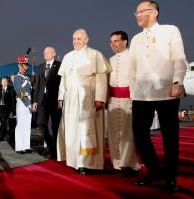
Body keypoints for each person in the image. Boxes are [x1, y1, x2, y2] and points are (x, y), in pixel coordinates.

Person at [128, 0, 188, 193]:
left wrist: (178, 81)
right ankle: (154, 170)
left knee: (170, 136)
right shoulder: (136, 39)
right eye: (135, 12)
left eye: (140, 11)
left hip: (167, 90)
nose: (137, 15)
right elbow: (133, 67)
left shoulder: (170, 30)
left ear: (154, 13)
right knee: (139, 132)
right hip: (142, 94)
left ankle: (170, 177)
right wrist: (132, 91)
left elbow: (179, 57)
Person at [57, 29, 111, 174]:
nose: (76, 41)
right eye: (74, 39)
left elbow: (101, 79)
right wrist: (61, 97)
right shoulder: (68, 56)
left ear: (87, 39)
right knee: (72, 131)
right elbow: (64, 79)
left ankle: (87, 163)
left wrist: (100, 98)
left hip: (87, 100)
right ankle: (73, 160)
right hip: (70, 101)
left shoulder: (95, 55)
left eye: (79, 38)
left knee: (85, 131)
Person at [107, 31, 140, 176]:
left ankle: (130, 164)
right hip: (113, 100)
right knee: (114, 132)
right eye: (111, 41)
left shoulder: (134, 57)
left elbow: (137, 78)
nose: (113, 44)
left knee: (128, 132)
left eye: (116, 41)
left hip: (129, 99)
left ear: (125, 42)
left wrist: (135, 97)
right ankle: (117, 163)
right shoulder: (110, 60)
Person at [32, 46, 61, 158]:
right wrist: (34, 100)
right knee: (40, 122)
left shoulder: (59, 65)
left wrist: (61, 98)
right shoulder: (40, 67)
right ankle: (50, 145)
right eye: (44, 52)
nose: (46, 54)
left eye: (48, 52)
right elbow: (37, 85)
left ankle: (55, 150)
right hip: (42, 99)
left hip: (55, 99)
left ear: (54, 53)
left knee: (55, 125)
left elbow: (62, 83)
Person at [13, 56, 34, 154]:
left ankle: (26, 146)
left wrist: (30, 103)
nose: (27, 66)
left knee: (27, 124)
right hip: (22, 102)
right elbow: (19, 91)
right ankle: (19, 147)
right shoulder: (17, 78)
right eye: (25, 64)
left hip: (28, 102)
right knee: (21, 124)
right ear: (19, 65)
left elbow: (30, 91)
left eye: (27, 64)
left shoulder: (27, 77)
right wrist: (27, 103)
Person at [0, 77, 15, 141]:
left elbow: (13, 101)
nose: (4, 83)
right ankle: (4, 135)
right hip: (1, 108)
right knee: (3, 122)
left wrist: (13, 111)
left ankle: (1, 136)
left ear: (7, 82)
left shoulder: (11, 89)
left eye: (5, 82)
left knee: (4, 123)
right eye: (2, 82)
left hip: (7, 108)